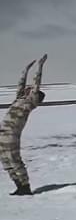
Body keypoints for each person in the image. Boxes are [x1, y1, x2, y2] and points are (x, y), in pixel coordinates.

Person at [0, 54, 48, 195]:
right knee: (5, 161)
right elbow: (20, 84)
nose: (26, 89)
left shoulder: (30, 102)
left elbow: (36, 84)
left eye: (30, 90)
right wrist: (25, 70)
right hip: (2, 132)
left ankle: (25, 186)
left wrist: (39, 67)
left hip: (12, 134)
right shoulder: (20, 98)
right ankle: (18, 185)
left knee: (14, 159)